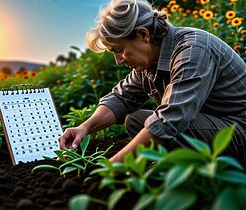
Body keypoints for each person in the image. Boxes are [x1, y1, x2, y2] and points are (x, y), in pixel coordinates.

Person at [59, 0, 246, 164]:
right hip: (211, 125)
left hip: (238, 130)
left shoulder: (192, 50)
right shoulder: (149, 61)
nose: (119, 60)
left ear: (143, 35)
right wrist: (84, 127)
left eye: (119, 49)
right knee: (136, 120)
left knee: (163, 127)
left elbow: (171, 120)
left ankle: (190, 172)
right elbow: (120, 98)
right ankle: (175, 165)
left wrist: (111, 166)